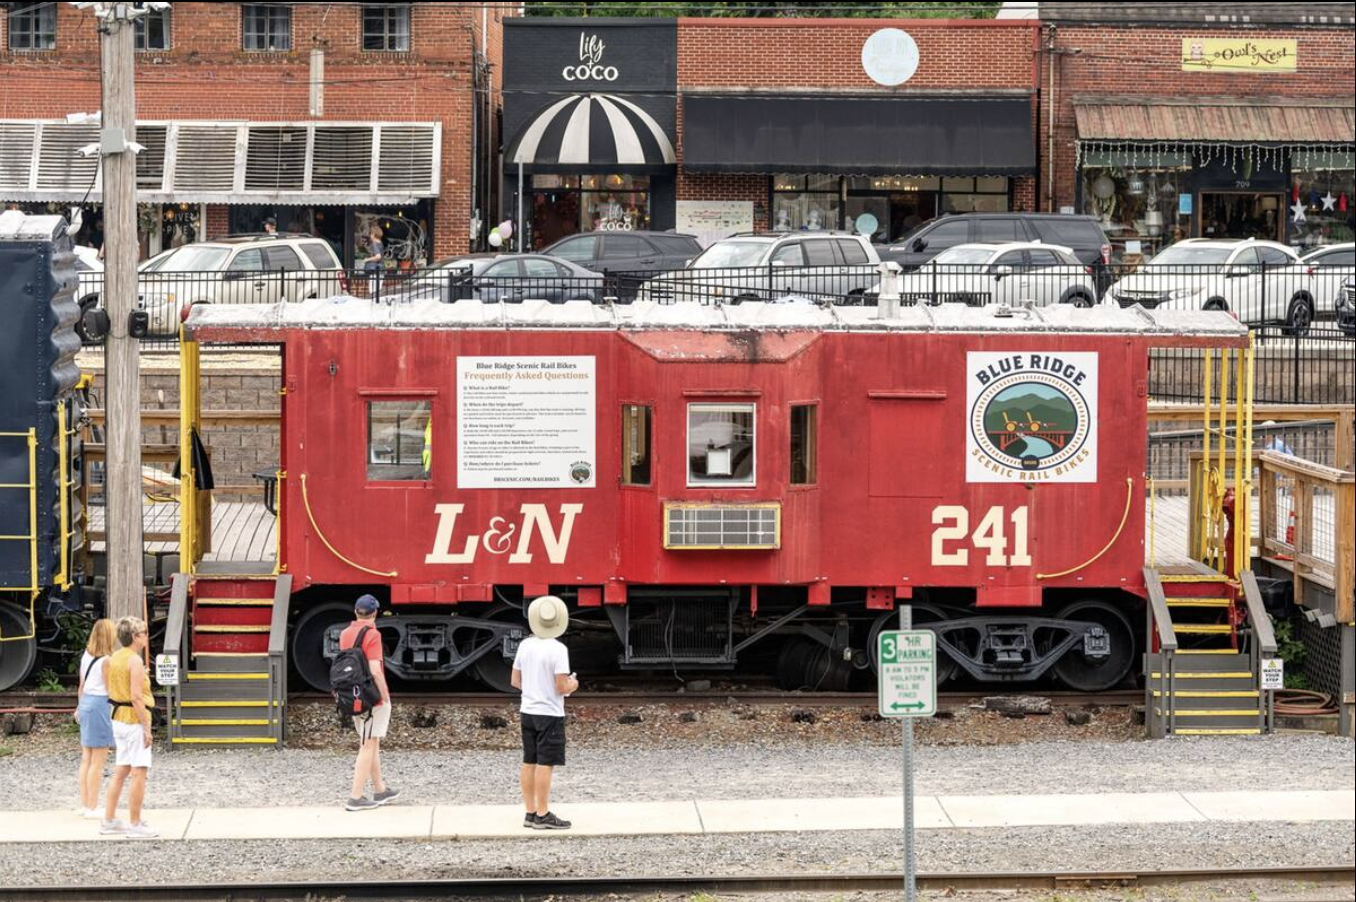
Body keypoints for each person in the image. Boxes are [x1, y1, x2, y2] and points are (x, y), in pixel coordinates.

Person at [511, 595, 578, 830]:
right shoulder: (558, 649)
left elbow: (515, 680)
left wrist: (534, 688)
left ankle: (529, 813)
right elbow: (561, 687)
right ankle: (543, 814)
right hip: (549, 713)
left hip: (527, 711)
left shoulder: (525, 645)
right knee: (545, 763)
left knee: (529, 760)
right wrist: (573, 684)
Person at [341, 594, 398, 811]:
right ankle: (355, 797)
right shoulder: (373, 634)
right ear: (374, 614)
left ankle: (380, 789)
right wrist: (384, 697)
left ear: (356, 612)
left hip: (353, 693)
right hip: (371, 697)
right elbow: (375, 670)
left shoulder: (346, 633)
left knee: (371, 741)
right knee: (367, 744)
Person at [101, 617, 157, 838]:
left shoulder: (113, 658)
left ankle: (109, 819)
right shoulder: (134, 661)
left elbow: (110, 688)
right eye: (143, 632)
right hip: (134, 719)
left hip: (118, 718)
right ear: (135, 637)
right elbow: (135, 696)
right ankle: (135, 823)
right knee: (139, 772)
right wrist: (146, 727)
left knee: (122, 769)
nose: (146, 635)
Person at [76, 618, 117, 819]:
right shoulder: (107, 660)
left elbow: (81, 685)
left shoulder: (86, 655)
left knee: (86, 759)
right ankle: (92, 807)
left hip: (85, 704)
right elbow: (111, 690)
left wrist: (78, 707)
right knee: (98, 762)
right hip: (99, 705)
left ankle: (85, 804)